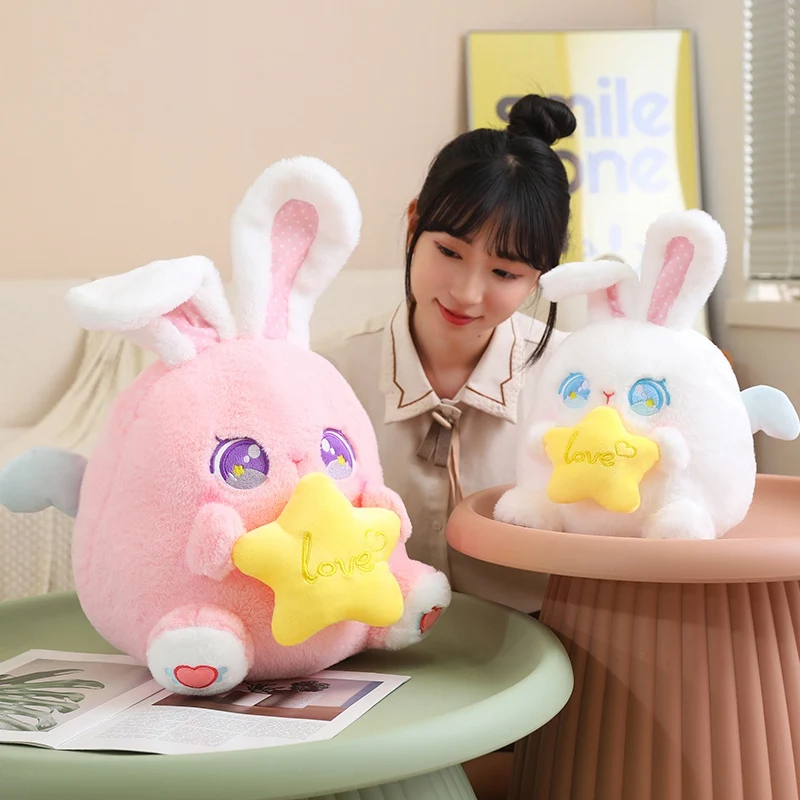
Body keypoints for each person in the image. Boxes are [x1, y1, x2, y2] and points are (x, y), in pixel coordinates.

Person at [315, 94, 576, 800]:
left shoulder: (576, 386)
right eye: (449, 252)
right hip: (359, 684)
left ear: (542, 276)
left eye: (505, 273)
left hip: (536, 688)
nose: (466, 292)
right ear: (413, 226)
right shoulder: (325, 376)